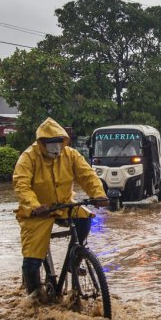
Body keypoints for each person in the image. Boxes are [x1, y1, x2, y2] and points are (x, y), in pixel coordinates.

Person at [12, 117, 108, 301]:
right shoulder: (29, 157)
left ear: (63, 142)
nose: (55, 147)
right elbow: (21, 184)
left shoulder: (70, 154)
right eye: (51, 143)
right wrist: (34, 206)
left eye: (58, 142)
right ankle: (34, 297)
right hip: (37, 211)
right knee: (32, 260)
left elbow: (87, 175)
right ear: (41, 143)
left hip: (65, 205)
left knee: (85, 217)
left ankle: (76, 259)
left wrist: (98, 195)